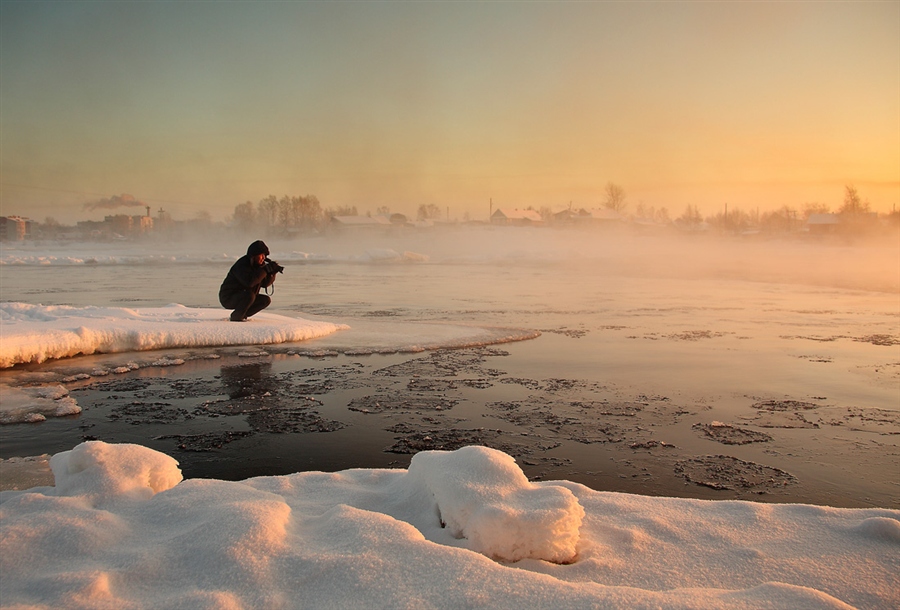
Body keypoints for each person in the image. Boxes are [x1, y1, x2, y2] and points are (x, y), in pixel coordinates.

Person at [219, 240, 277, 321]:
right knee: (249, 295)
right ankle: (236, 317)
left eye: (265, 255)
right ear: (254, 255)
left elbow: (265, 283)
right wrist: (265, 270)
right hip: (228, 297)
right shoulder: (242, 265)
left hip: (245, 296)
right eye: (261, 255)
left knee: (265, 300)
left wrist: (272, 273)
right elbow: (249, 282)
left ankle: (243, 315)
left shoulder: (259, 266)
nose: (263, 258)